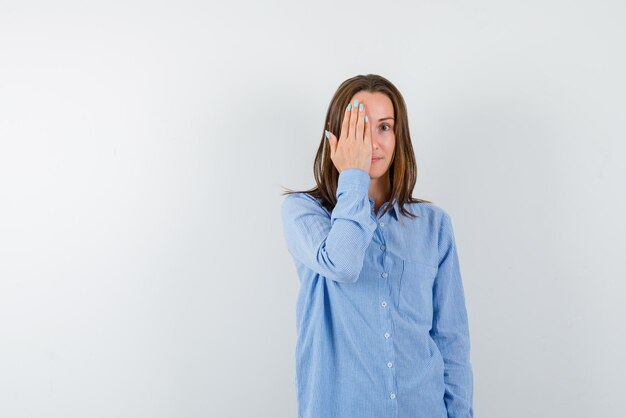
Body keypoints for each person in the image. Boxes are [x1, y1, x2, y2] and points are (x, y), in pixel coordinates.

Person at [280, 74, 474, 418]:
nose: (372, 143)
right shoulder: (303, 213)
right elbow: (343, 263)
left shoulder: (435, 225)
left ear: (399, 136)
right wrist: (353, 176)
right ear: (335, 137)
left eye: (384, 127)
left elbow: (451, 343)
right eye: (360, 128)